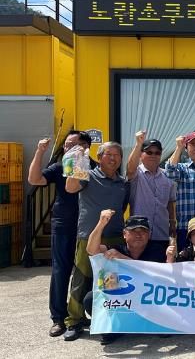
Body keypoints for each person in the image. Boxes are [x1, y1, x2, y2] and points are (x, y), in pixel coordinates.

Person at [27, 130, 94, 337]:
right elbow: (35, 179)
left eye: (72, 144)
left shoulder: (95, 166)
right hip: (64, 224)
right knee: (60, 271)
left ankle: (79, 314)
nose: (67, 148)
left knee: (85, 273)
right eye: (66, 145)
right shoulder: (59, 166)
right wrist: (40, 151)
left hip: (88, 226)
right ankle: (58, 318)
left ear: (85, 146)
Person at [63, 142, 130, 342]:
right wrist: (77, 162)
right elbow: (70, 187)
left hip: (115, 236)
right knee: (81, 280)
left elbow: (122, 206)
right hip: (89, 236)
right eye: (109, 154)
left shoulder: (123, 182)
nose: (113, 158)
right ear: (99, 157)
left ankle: (109, 320)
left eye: (117, 155)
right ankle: (74, 322)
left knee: (111, 281)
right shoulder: (88, 175)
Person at [84, 211, 164, 345]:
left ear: (149, 234)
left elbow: (153, 274)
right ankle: (117, 327)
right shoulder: (116, 248)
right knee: (90, 299)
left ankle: (148, 324)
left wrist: (122, 258)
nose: (139, 235)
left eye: (143, 231)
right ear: (124, 234)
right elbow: (91, 250)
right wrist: (101, 223)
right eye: (133, 231)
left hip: (147, 301)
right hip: (123, 301)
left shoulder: (157, 250)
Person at [125, 131, 176, 261]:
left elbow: (170, 202)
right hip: (139, 236)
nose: (153, 155)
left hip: (162, 234)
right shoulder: (136, 174)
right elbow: (130, 168)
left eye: (157, 153)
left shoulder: (167, 176)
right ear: (141, 154)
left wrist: (172, 224)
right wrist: (138, 144)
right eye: (149, 152)